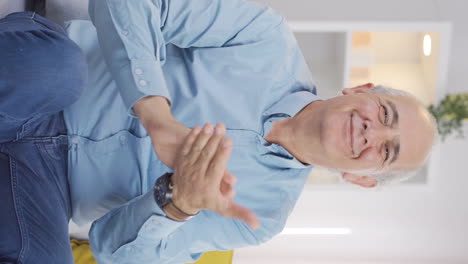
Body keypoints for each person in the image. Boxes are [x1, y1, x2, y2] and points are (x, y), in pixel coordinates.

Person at [0, 0, 436, 263]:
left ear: (360, 179)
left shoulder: (262, 218)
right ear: (360, 88)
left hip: (45, 189)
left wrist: (176, 204)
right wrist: (155, 113)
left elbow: (110, 250)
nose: (370, 133)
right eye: (384, 113)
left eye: (386, 152)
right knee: (57, 69)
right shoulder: (266, 39)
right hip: (46, 83)